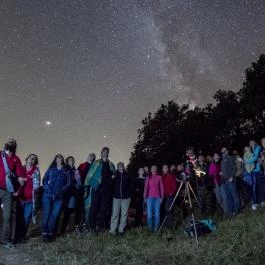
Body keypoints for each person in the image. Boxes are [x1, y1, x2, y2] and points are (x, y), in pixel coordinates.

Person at [0, 139, 23, 249]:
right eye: (9, 142)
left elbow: (19, 174)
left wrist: (21, 179)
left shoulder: (16, 159)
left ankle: (5, 240)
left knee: (7, 216)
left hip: (8, 192)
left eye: (13, 143)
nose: (10, 144)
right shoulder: (0, 155)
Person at [86, 147, 115, 233]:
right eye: (104, 152)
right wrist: (95, 185)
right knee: (94, 208)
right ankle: (91, 226)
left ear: (108, 154)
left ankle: (100, 226)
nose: (105, 153)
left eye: (107, 152)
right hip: (97, 189)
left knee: (103, 209)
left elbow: (113, 174)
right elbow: (90, 175)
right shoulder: (96, 163)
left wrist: (113, 176)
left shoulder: (111, 164)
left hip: (107, 190)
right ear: (101, 153)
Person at [42, 154, 71, 242]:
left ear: (63, 160)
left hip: (59, 197)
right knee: (47, 215)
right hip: (48, 196)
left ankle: (50, 233)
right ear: (55, 160)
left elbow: (68, 183)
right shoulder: (51, 169)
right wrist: (47, 188)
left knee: (54, 216)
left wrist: (62, 190)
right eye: (57, 157)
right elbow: (44, 180)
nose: (59, 159)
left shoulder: (66, 171)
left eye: (61, 157)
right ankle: (44, 233)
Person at [17, 154, 40, 242]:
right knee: (19, 218)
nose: (32, 159)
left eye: (34, 159)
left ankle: (22, 236)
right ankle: (17, 235)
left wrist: (33, 182)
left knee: (26, 218)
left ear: (35, 162)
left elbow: (37, 185)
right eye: (30, 158)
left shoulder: (36, 171)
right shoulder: (20, 169)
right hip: (20, 198)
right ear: (26, 159)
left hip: (30, 199)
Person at [109, 162, 132, 235]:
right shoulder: (115, 175)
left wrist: (128, 193)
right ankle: (112, 230)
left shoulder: (128, 175)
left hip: (126, 198)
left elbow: (132, 185)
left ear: (124, 167)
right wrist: (112, 179)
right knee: (115, 214)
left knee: (124, 214)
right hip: (116, 197)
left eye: (122, 165)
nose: (121, 166)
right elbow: (110, 185)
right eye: (119, 166)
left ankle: (121, 230)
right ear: (117, 167)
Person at [60, 156, 81, 235]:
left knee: (70, 211)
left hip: (73, 193)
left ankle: (67, 229)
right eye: (69, 160)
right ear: (67, 161)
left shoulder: (76, 170)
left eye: (72, 160)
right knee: (67, 211)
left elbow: (79, 183)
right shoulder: (65, 170)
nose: (71, 161)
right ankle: (62, 229)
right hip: (66, 193)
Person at [78, 153, 96, 230]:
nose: (91, 157)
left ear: (94, 158)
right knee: (80, 207)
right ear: (87, 156)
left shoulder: (95, 167)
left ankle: (86, 224)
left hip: (91, 189)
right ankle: (78, 225)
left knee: (88, 207)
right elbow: (77, 176)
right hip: (82, 189)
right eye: (90, 155)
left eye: (93, 156)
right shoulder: (82, 165)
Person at [144, 165, 164, 232]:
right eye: (152, 168)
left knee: (157, 214)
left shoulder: (159, 177)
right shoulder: (148, 177)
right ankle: (150, 229)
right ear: (151, 170)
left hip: (157, 198)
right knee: (149, 214)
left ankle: (156, 229)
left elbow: (161, 188)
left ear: (156, 169)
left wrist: (162, 197)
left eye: (155, 167)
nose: (153, 168)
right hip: (149, 198)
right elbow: (146, 187)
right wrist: (145, 197)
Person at [220, 147, 240, 216]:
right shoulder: (223, 160)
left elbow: (235, 167)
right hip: (225, 181)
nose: (223, 153)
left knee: (234, 196)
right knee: (229, 197)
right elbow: (225, 169)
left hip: (231, 180)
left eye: (224, 151)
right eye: (222, 152)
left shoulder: (229, 158)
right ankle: (232, 212)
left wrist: (232, 176)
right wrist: (221, 173)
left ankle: (236, 211)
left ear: (227, 151)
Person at [244, 140, 261, 210]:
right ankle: (253, 204)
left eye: (248, 147)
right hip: (248, 173)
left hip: (253, 172)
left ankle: (255, 202)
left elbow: (255, 158)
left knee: (255, 187)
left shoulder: (253, 152)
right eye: (246, 149)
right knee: (251, 188)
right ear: (244, 150)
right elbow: (247, 162)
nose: (247, 148)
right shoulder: (245, 155)